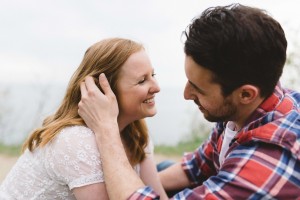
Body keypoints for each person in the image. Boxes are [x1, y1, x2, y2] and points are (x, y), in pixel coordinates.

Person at [77, 3, 300, 200]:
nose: (186, 94)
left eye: (198, 88)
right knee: (161, 168)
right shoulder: (248, 106)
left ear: (245, 94)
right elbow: (196, 166)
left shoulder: (269, 159)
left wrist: (106, 130)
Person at [0, 38, 168, 199]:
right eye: (142, 81)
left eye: (153, 75)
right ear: (101, 89)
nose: (156, 87)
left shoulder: (136, 134)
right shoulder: (77, 140)